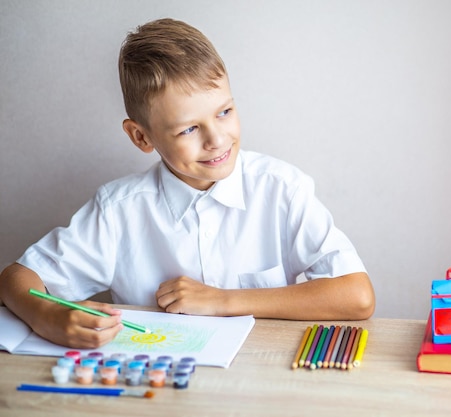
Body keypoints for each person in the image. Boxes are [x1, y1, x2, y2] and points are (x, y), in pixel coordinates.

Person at [0, 18, 375, 349]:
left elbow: (357, 296)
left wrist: (221, 300)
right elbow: (15, 279)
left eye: (225, 112)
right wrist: (44, 314)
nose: (217, 139)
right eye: (189, 128)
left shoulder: (281, 188)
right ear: (141, 137)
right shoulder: (119, 210)